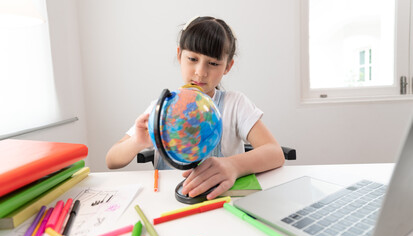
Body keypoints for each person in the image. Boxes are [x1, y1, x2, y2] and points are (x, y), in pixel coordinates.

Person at [106, 16, 285, 200]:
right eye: (192, 59)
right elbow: (111, 160)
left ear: (228, 66)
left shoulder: (236, 104)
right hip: (167, 204)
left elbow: (275, 152)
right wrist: (138, 142)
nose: (200, 71)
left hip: (223, 204)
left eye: (213, 63)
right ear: (179, 55)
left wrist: (234, 166)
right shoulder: (162, 109)